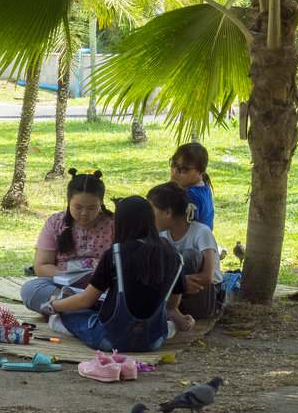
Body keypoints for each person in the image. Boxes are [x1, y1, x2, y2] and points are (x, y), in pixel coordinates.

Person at [48, 196, 193, 352]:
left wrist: (54, 305)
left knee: (71, 316)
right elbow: (171, 306)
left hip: (111, 341)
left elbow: (85, 301)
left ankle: (59, 321)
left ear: (121, 222)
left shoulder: (116, 254)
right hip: (151, 342)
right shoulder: (175, 257)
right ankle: (166, 330)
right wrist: (180, 319)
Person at [20, 169, 115, 313]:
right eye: (78, 207)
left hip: (101, 290)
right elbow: (41, 266)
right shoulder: (55, 222)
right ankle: (80, 307)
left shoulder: (113, 224)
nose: (84, 213)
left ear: (101, 203)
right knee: (30, 290)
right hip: (62, 288)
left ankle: (67, 310)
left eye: (92, 208)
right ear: (68, 201)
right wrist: (66, 277)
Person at [147, 181, 227, 320]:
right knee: (160, 248)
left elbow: (208, 277)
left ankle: (173, 311)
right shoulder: (161, 234)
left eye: (151, 209)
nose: (148, 216)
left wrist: (177, 282)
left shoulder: (201, 232)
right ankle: (173, 312)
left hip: (203, 302)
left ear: (168, 212)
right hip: (176, 299)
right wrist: (179, 283)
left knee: (190, 256)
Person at [169, 142, 215, 229]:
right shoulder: (203, 185)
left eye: (183, 168)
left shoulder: (190, 197)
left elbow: (182, 231)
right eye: (174, 164)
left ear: (200, 172)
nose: (175, 170)